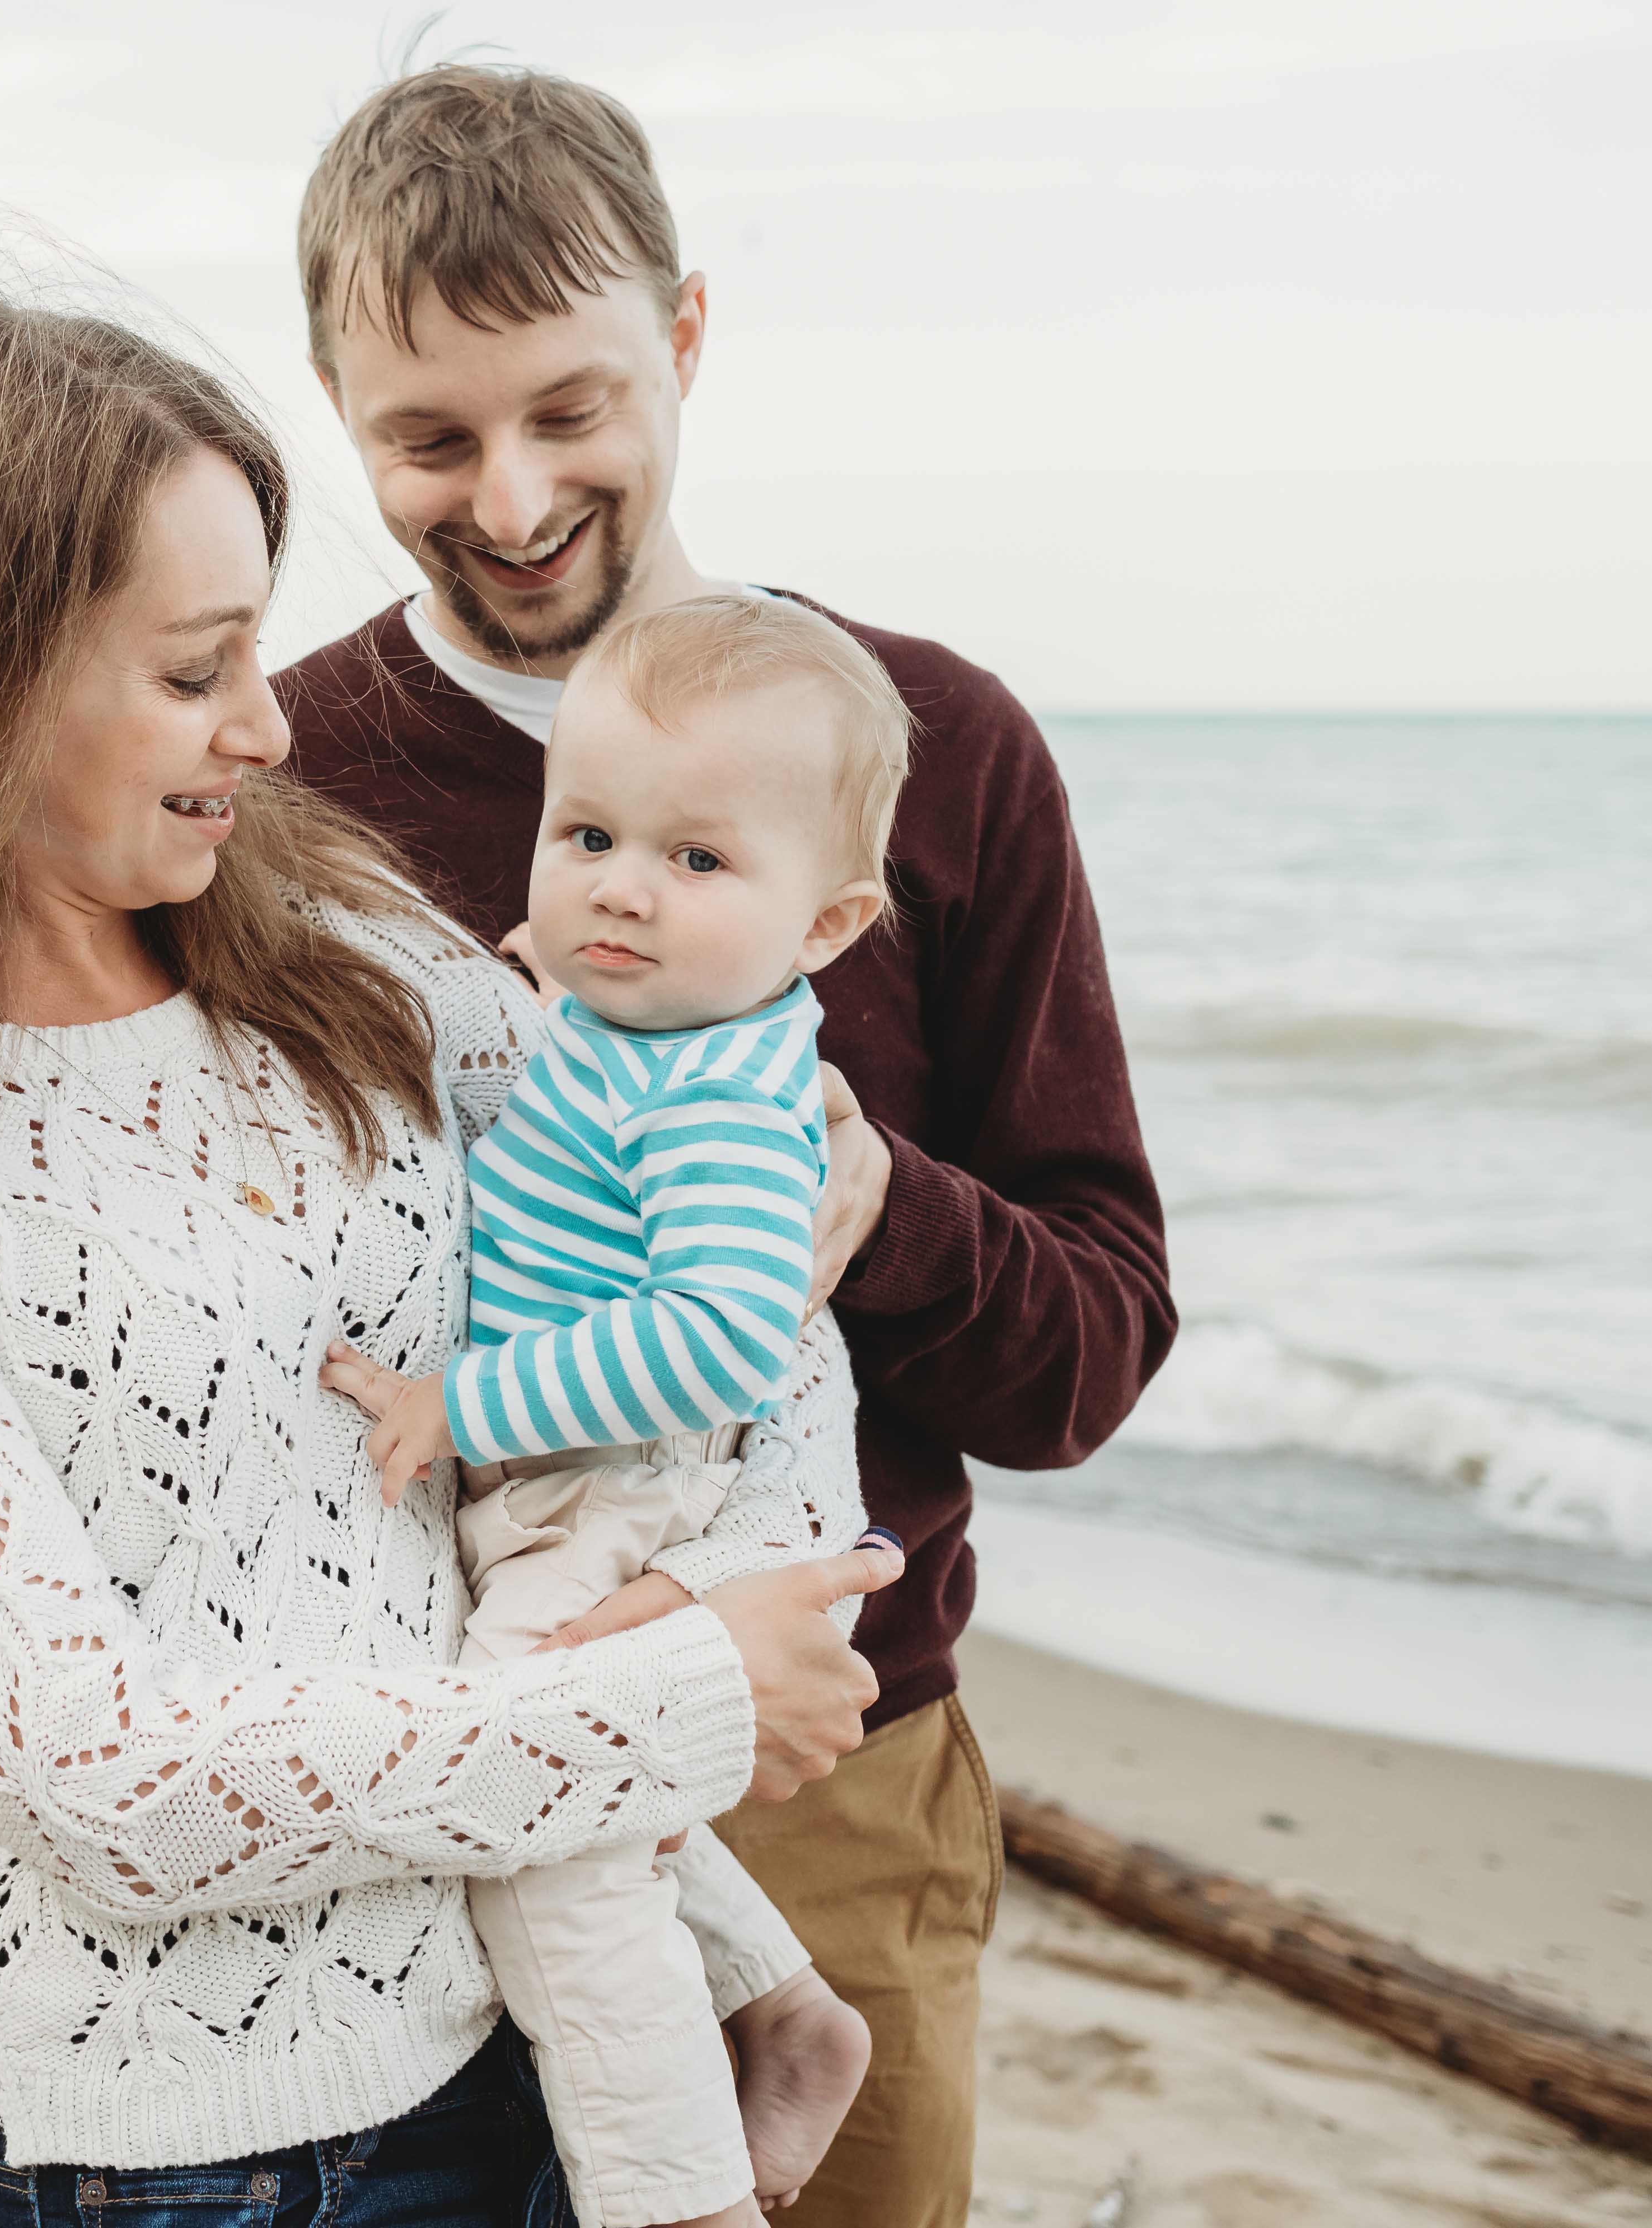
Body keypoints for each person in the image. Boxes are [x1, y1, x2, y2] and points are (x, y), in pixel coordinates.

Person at [0, 290, 907, 2227]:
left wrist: (738, 1572)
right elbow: (101, 1789)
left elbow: (745, 1231)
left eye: (254, 648)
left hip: (531, 2044)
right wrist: (678, 1697)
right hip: (190, 2164)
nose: (268, 726)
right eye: (197, 670)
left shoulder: (341, 961)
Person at [275, 67, 1177, 2228]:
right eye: (427, 435)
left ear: (684, 336)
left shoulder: (929, 751)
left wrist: (872, 1211)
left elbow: (1090, 1353)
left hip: (823, 1772)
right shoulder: (277, 776)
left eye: (570, 407)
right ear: (334, 406)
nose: (507, 498)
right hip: (392, 1777)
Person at [322, 592, 914, 2228]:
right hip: (569, 1477)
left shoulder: (719, 1093)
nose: (618, 887)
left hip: (606, 1484)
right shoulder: (636, 1027)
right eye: (586, 833)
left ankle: (677, 2196)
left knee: (532, 1812)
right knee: (576, 1772)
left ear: (825, 923)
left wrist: (465, 1398)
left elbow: (724, 1336)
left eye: (695, 862)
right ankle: (781, 2000)